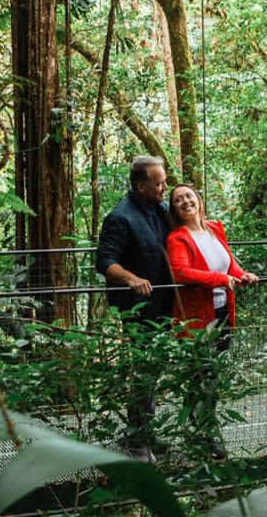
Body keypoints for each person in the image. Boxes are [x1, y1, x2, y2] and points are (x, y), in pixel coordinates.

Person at [165, 184, 258, 459]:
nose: (185, 201)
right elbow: (181, 272)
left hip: (223, 312)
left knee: (213, 374)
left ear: (198, 199)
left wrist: (242, 275)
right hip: (197, 318)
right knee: (201, 376)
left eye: (189, 196)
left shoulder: (215, 228)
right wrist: (220, 279)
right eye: (178, 199)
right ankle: (202, 433)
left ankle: (203, 429)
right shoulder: (177, 238)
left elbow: (227, 264)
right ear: (174, 209)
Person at [95, 156, 174, 463]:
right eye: (159, 183)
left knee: (155, 370)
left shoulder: (160, 209)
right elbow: (105, 261)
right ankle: (137, 441)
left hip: (165, 304)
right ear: (141, 186)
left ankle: (145, 433)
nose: (165, 187)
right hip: (138, 309)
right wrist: (131, 279)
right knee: (146, 371)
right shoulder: (120, 217)